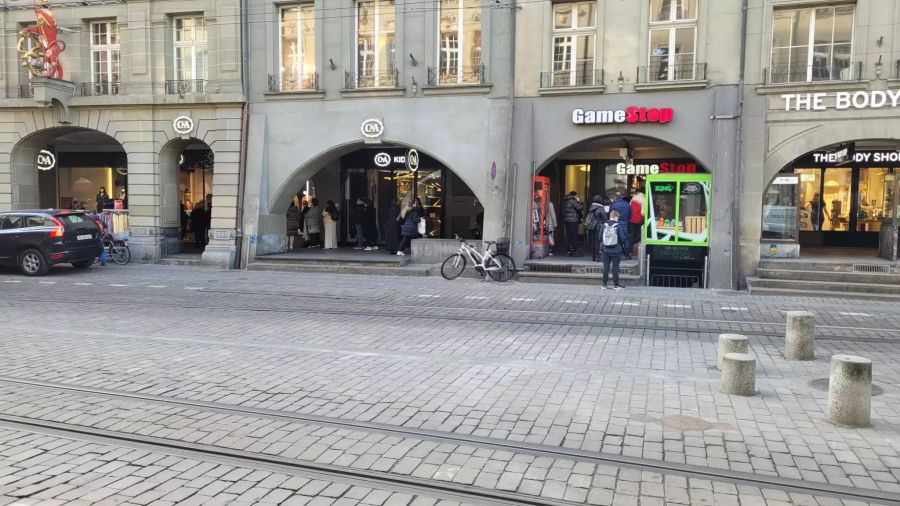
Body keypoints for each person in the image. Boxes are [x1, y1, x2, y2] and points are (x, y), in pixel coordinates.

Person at [600, 210, 628, 291]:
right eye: (618, 217)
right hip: (616, 250)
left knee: (606, 267)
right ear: (615, 216)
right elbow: (623, 239)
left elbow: (599, 237)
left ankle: (604, 285)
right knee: (615, 268)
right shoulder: (618, 226)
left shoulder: (604, 225)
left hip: (605, 250)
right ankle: (616, 285)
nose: (618, 219)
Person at [585, 195, 609, 262]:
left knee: (593, 241)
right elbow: (605, 219)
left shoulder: (591, 208)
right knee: (598, 241)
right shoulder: (600, 208)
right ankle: (598, 257)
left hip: (592, 226)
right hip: (599, 226)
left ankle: (593, 256)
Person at [560, 191, 583, 256]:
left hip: (567, 220)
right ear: (574, 195)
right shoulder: (573, 200)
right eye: (577, 195)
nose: (577, 196)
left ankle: (568, 251)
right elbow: (580, 208)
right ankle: (575, 251)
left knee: (568, 235)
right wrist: (579, 201)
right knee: (574, 236)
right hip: (573, 220)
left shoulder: (566, 200)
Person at [610, 195, 633, 259]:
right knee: (625, 240)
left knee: (615, 239)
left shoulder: (613, 205)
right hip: (625, 225)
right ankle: (627, 255)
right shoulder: (628, 205)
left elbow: (611, 215)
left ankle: (616, 254)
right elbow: (631, 216)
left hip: (616, 225)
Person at [629, 191, 645, 258]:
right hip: (639, 220)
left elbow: (629, 208)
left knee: (632, 236)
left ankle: (630, 251)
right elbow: (643, 212)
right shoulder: (644, 199)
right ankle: (631, 244)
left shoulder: (633, 198)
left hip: (631, 220)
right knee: (640, 235)